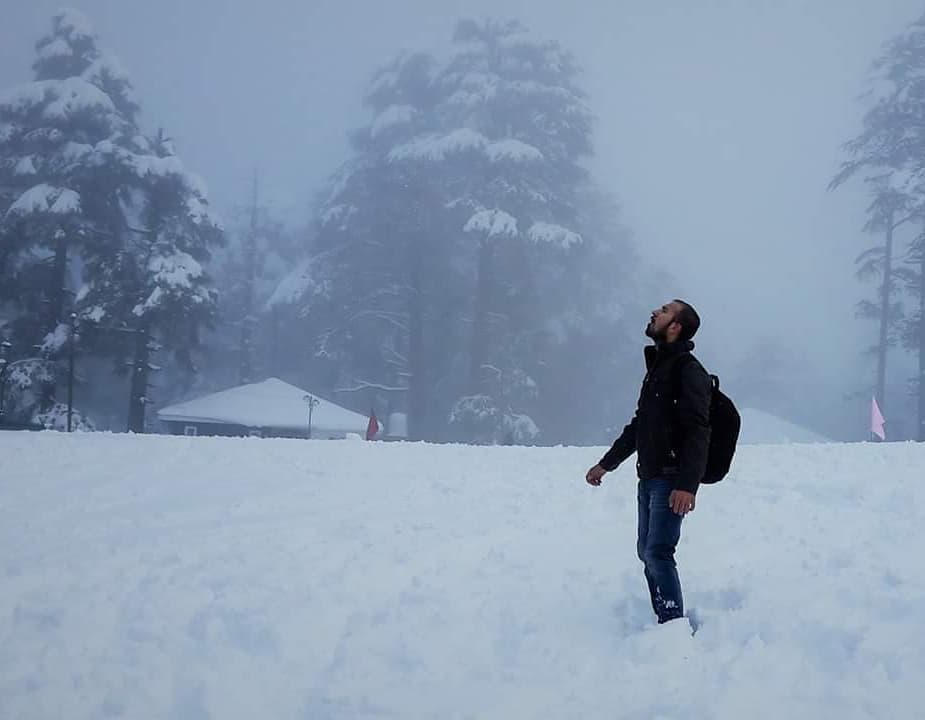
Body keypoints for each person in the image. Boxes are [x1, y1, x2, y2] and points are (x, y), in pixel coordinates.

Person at [585, 299, 712, 625]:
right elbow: (641, 425)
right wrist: (606, 464)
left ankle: (672, 624)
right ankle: (664, 618)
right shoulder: (659, 369)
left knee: (658, 552)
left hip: (672, 480)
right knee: (647, 551)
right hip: (651, 477)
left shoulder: (688, 370)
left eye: (665, 311)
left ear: (675, 326)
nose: (655, 312)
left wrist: (687, 485)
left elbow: (699, 431)